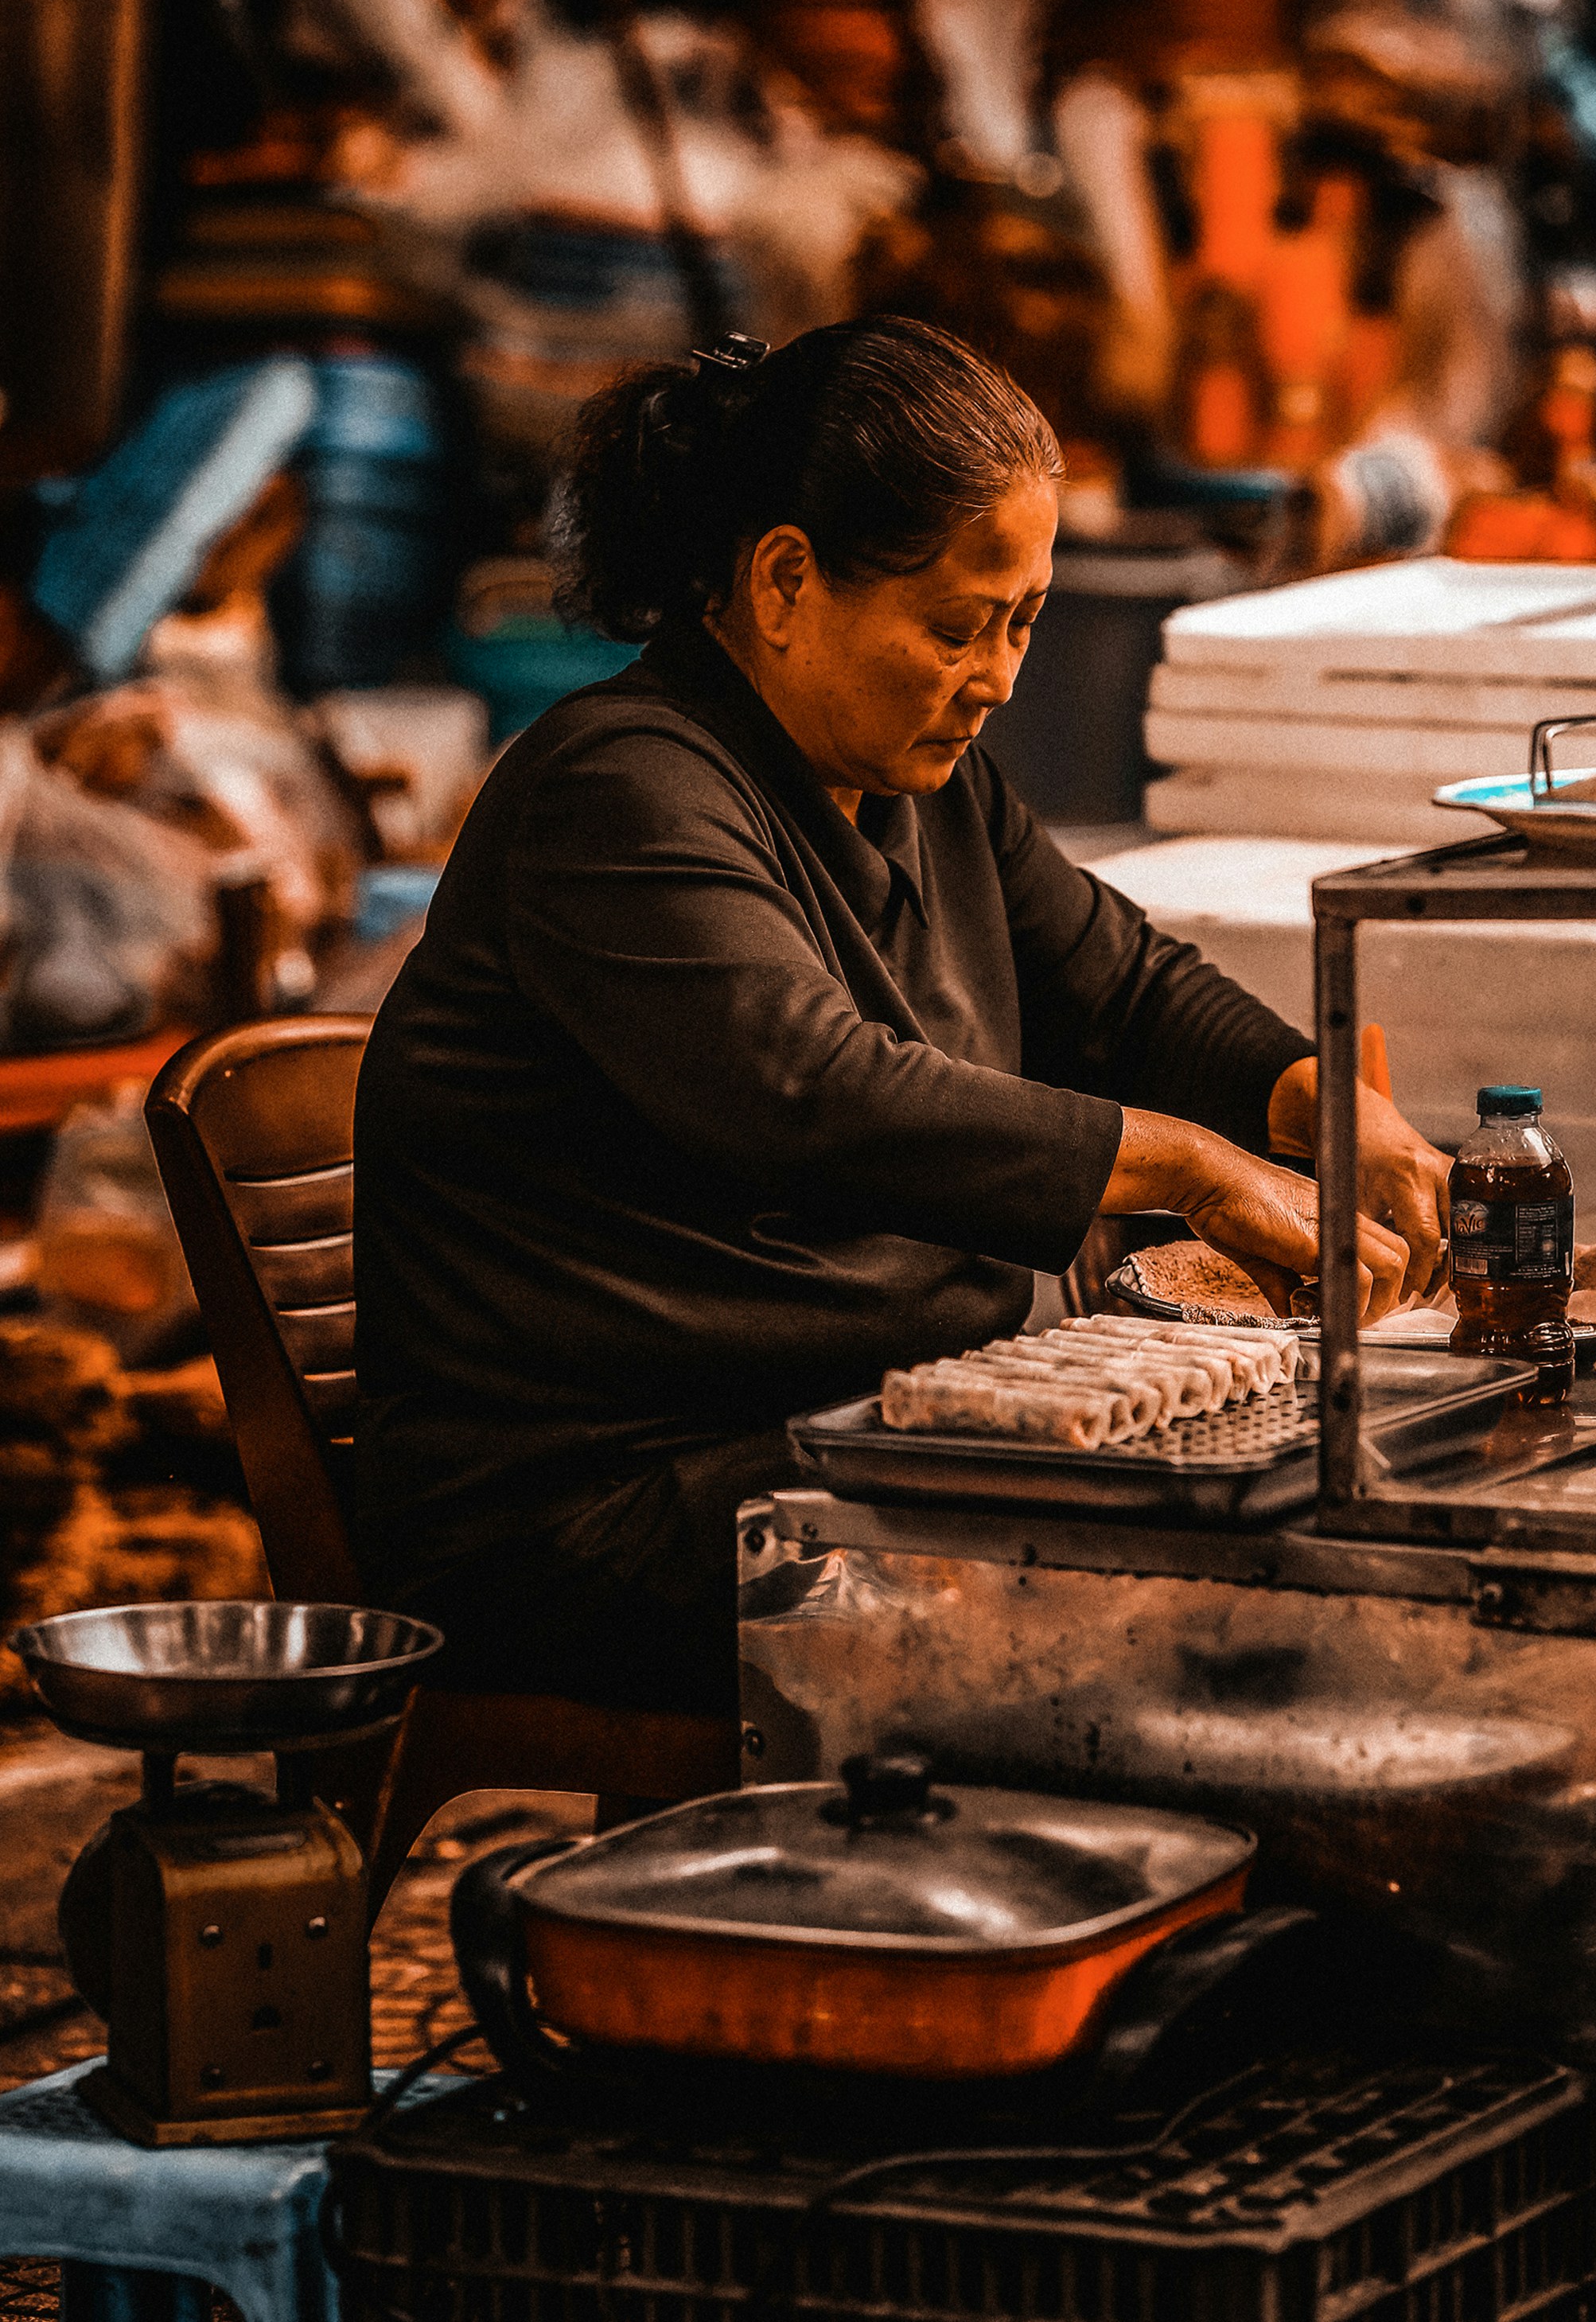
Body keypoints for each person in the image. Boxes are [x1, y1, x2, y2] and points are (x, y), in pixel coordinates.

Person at [352, 315, 1450, 1719]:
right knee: (1214, 1609)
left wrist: (1321, 1103)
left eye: (1023, 623)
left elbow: (1119, 985)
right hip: (607, 1509)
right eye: (955, 627)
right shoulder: (616, 794)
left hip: (853, 1431)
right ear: (785, 581)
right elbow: (812, 1090)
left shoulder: (926, 784)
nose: (998, 678)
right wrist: (1193, 1168)